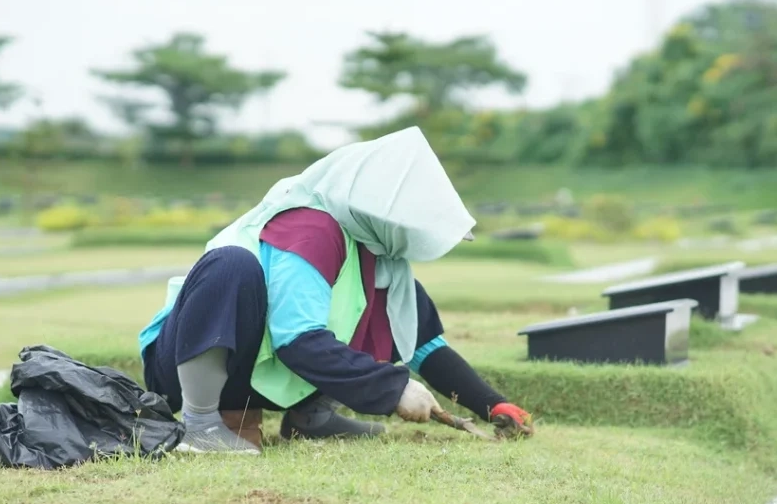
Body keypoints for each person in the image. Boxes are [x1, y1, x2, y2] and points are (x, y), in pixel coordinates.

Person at [138, 127, 534, 453]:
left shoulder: (381, 262)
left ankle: (311, 418)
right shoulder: (313, 230)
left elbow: (424, 346)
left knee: (379, 314)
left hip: (254, 376)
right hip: (184, 363)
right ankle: (201, 425)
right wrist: (393, 389)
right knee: (232, 265)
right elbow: (297, 340)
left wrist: (493, 404)